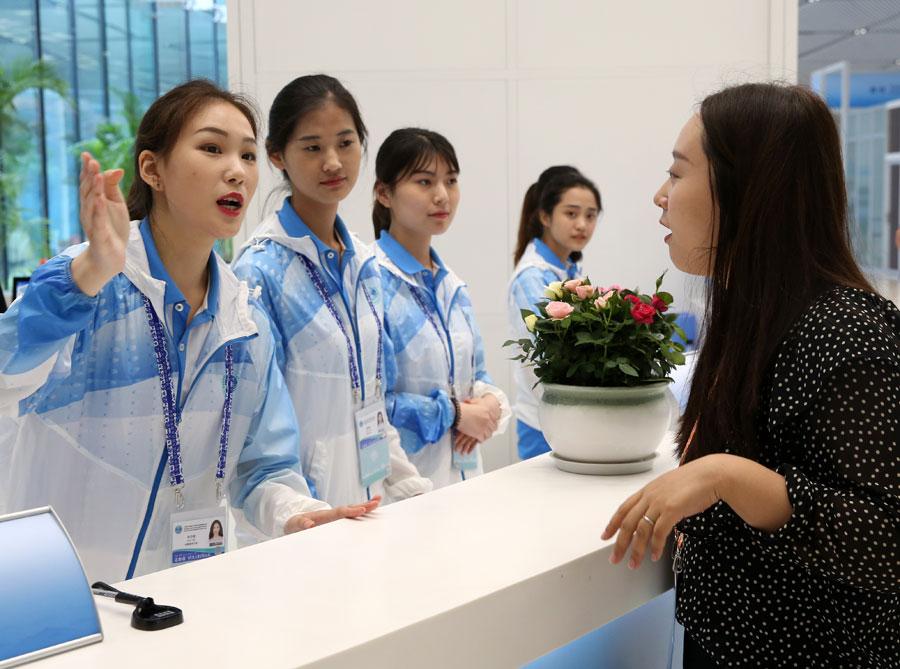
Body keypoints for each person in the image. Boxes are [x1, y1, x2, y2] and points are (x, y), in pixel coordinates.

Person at [0, 80, 377, 582]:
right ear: (152, 169)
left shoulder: (245, 319)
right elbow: (9, 374)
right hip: (62, 596)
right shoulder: (86, 281)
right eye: (212, 148)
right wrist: (93, 270)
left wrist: (294, 513)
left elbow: (264, 465)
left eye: (246, 156)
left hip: (188, 599)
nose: (236, 172)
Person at [602, 83, 899, 668]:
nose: (660, 197)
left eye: (679, 174)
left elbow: (885, 538)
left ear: (748, 189)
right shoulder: (751, 315)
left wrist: (727, 476)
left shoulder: (849, 331)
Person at [232, 75, 432, 506]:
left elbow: (372, 400)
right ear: (276, 156)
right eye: (312, 147)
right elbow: (254, 429)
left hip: (367, 506)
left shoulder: (364, 264)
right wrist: (300, 511)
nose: (333, 162)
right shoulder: (259, 271)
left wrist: (408, 487)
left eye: (345, 143)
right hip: (304, 519)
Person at [373, 128, 510, 488]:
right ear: (384, 193)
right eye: (424, 181)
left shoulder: (452, 285)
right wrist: (453, 414)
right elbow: (369, 403)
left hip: (463, 479)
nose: (441, 195)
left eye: (450, 181)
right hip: (401, 485)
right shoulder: (372, 282)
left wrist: (490, 403)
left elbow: (476, 373)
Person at [507, 167, 601, 459]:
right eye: (571, 214)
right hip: (545, 422)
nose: (582, 224)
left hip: (567, 418)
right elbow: (544, 357)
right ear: (545, 217)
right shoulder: (532, 278)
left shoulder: (567, 270)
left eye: (591, 215)